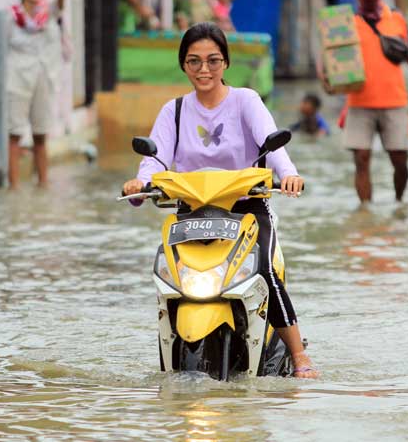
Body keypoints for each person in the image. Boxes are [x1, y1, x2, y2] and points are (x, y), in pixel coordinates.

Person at [122, 22, 318, 379]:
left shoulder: (245, 101)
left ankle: (300, 354)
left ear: (225, 62)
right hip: (191, 215)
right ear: (183, 65)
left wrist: (288, 174)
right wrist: (140, 183)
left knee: (265, 273)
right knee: (168, 278)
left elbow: (272, 146)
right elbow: (155, 159)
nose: (204, 70)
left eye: (213, 60)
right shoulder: (175, 111)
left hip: (246, 209)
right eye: (194, 61)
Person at [325, 0, 408, 204]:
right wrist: (329, 80)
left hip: (394, 101)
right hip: (359, 102)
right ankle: (365, 212)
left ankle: (398, 203)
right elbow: (332, 61)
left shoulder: (397, 19)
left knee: (400, 159)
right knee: (361, 159)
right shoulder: (345, 24)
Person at [6, 0, 67, 189]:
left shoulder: (48, 12)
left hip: (43, 78)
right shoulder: (10, 18)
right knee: (14, 134)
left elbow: (62, 1)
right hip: (17, 80)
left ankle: (43, 184)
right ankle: (13, 187)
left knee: (41, 134)